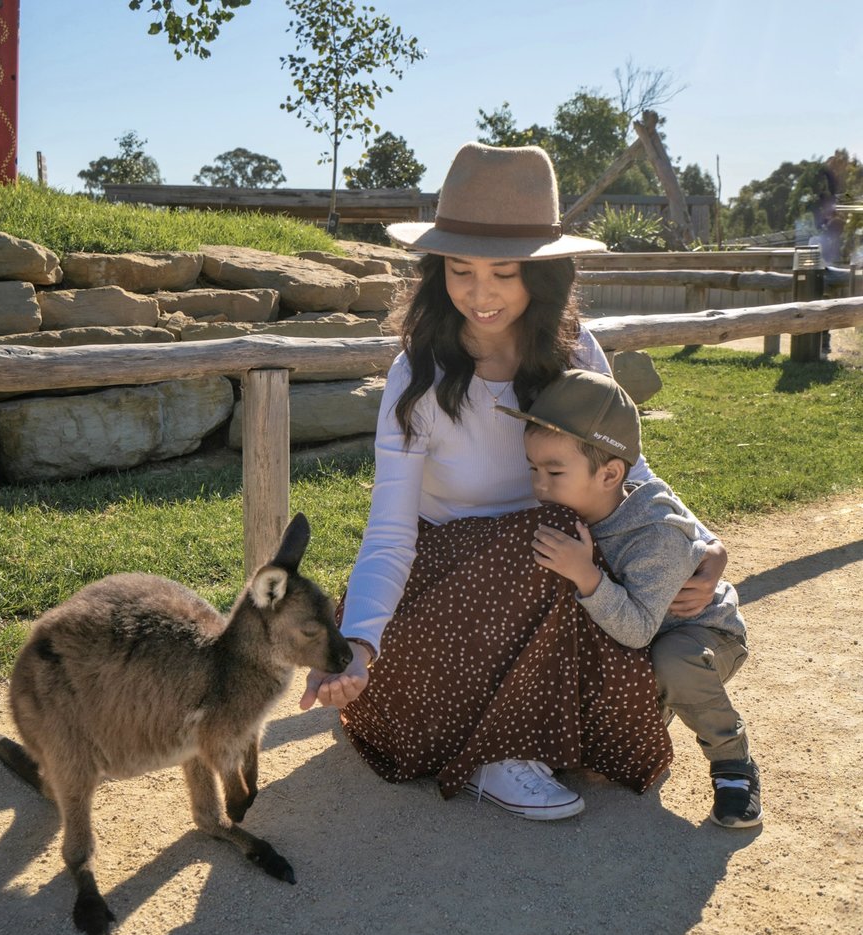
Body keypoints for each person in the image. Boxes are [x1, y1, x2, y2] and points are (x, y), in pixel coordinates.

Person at [299, 142, 728, 820]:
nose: (480, 294)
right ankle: (497, 752)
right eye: (460, 270)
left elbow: (626, 468)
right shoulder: (418, 375)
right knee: (556, 530)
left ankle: (536, 726)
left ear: (541, 274)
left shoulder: (574, 351)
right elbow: (389, 531)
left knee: (578, 546)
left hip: (551, 571)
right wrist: (356, 642)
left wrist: (701, 543)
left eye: (504, 272)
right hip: (441, 591)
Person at [499, 369, 760, 828]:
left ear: (610, 474)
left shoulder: (655, 535)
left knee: (672, 661)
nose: (539, 485)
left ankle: (732, 762)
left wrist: (586, 575)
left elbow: (638, 631)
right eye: (533, 469)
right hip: (632, 635)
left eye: (554, 472)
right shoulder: (570, 510)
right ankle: (646, 711)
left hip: (697, 636)